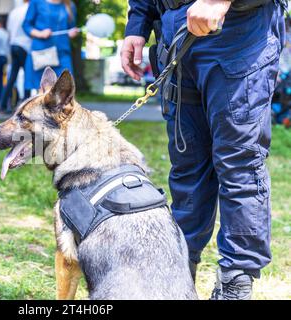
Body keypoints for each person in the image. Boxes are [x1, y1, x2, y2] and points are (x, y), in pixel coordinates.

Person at [122, 0, 285, 300]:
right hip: (175, 35)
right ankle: (177, 278)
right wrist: (137, 26)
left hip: (237, 29)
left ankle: (234, 283)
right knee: (187, 166)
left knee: (239, 162)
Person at [22, 0, 79, 92]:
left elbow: (70, 27)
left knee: (66, 88)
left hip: (62, 52)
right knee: (43, 91)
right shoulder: (36, 2)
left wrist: (71, 33)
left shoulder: (69, 5)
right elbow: (26, 25)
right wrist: (40, 33)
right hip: (42, 53)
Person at [0, 0, 32, 113]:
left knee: (12, 77)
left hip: (14, 45)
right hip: (25, 45)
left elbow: (9, 29)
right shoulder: (31, 9)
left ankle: (2, 105)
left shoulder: (14, 11)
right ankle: (26, 106)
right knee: (28, 76)